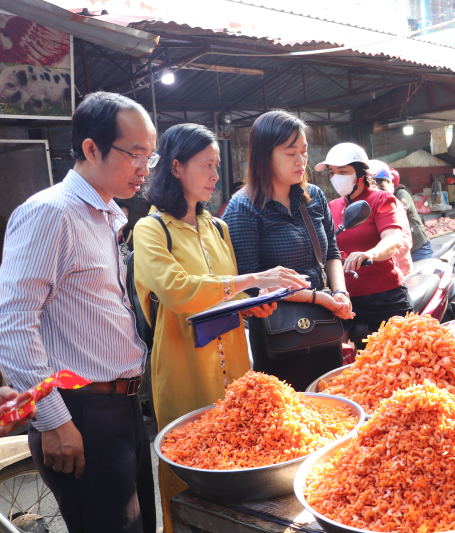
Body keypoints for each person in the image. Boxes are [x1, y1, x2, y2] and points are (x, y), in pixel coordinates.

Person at [133, 123, 309, 533]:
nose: (215, 175)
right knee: (190, 463)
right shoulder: (151, 230)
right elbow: (178, 293)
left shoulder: (219, 228)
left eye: (216, 165)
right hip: (184, 365)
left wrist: (252, 307)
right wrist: (251, 279)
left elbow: (225, 300)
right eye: (206, 165)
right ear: (176, 168)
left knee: (241, 455)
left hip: (235, 365)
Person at [0, 92, 158, 532]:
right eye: (135, 154)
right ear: (91, 149)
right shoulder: (51, 213)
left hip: (121, 408)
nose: (144, 168)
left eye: (151, 155)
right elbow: (12, 326)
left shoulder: (106, 215)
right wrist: (55, 422)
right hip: (80, 412)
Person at [223, 111, 353, 387]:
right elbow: (250, 283)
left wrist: (340, 292)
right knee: (288, 418)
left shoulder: (314, 197)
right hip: (278, 332)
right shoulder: (243, 207)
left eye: (304, 152)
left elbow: (331, 254)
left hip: (324, 323)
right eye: (290, 152)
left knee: (329, 403)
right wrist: (318, 298)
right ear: (264, 155)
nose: (301, 161)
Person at [320, 143, 413, 339]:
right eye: (331, 172)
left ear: (361, 174)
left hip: (384, 296)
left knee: (400, 355)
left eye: (343, 171)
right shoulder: (331, 207)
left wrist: (370, 254)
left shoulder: (382, 200)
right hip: (344, 298)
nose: (336, 177)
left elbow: (393, 239)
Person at [372, 161, 413, 276]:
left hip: (398, 273)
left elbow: (405, 241)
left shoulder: (393, 204)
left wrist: (379, 257)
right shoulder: (364, 206)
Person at [389, 168, 433, 261]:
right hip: (406, 247)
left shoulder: (401, 193)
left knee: (423, 274)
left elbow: (399, 215)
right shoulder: (387, 197)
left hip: (418, 246)